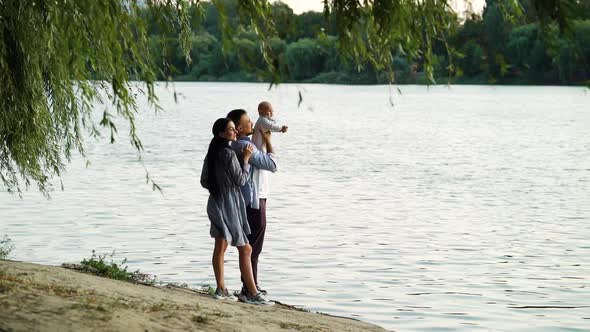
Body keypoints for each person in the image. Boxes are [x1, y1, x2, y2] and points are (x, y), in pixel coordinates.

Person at [200, 118, 273, 306]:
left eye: (234, 129)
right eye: (231, 130)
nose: (235, 132)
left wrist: (220, 187)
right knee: (246, 248)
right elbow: (241, 180)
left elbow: (204, 181)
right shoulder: (229, 153)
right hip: (230, 204)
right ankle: (252, 293)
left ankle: (221, 289)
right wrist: (247, 160)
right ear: (222, 134)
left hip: (215, 201)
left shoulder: (212, 152)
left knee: (221, 246)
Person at [226, 109, 277, 301]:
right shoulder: (244, 145)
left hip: (254, 199)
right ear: (239, 128)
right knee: (253, 246)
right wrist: (269, 140)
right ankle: (248, 290)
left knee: (252, 245)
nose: (253, 124)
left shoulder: (244, 144)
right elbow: (272, 165)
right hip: (254, 202)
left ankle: (251, 284)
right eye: (249, 121)